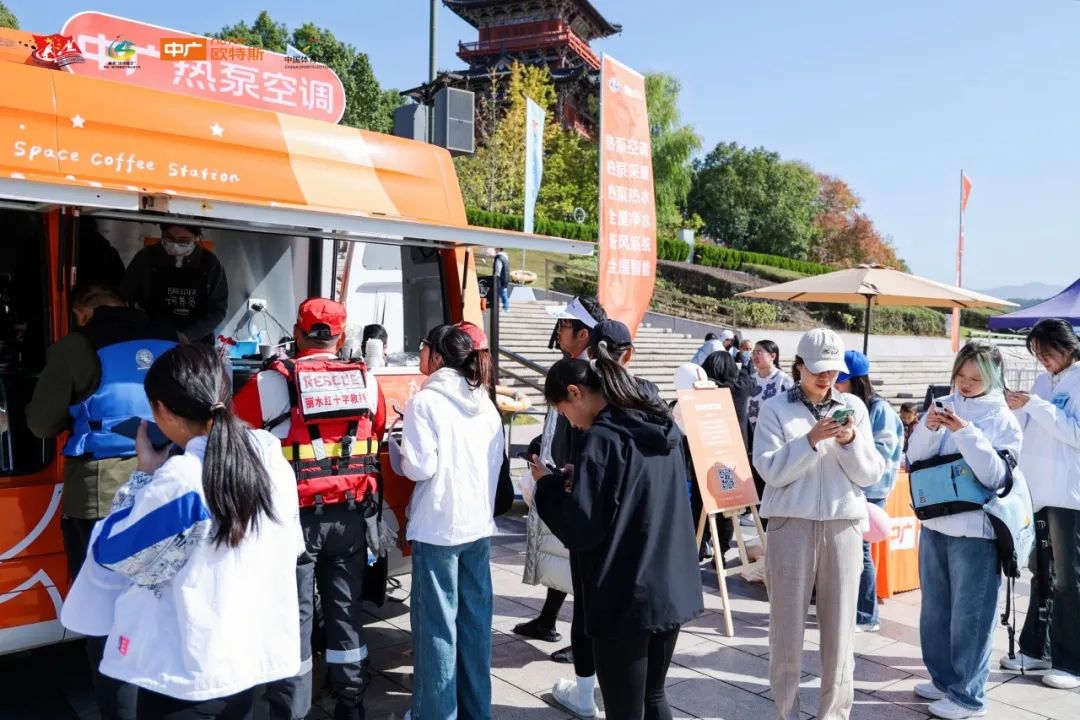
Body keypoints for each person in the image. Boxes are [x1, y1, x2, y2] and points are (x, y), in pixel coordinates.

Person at [60, 344, 303, 719]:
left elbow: (113, 557)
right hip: (248, 661)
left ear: (161, 410)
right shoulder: (269, 457)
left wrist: (144, 476)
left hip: (188, 673)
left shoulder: (181, 481)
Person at [524, 348, 704, 720]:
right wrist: (580, 479)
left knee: (624, 709)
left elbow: (582, 528)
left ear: (575, 393)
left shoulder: (604, 438)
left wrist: (546, 486)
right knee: (654, 696)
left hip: (625, 593)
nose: (570, 423)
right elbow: (636, 491)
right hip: (669, 583)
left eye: (564, 412)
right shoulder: (658, 422)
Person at [26, 283, 177, 720]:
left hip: (101, 494)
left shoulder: (75, 347)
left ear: (81, 312)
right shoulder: (171, 338)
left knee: (108, 618)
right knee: (163, 604)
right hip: (171, 486)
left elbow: (40, 423)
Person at [234, 297, 386, 720]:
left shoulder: (270, 382)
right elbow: (376, 430)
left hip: (292, 522)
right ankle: (351, 704)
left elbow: (232, 432)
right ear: (341, 336)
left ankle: (293, 710)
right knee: (346, 612)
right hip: (351, 516)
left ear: (298, 333)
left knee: (294, 619)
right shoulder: (366, 381)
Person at [753, 328, 886, 720]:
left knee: (841, 631)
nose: (827, 378)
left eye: (833, 371)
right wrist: (809, 440)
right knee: (785, 630)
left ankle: (834, 714)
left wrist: (849, 441)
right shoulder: (775, 408)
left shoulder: (854, 407)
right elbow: (769, 470)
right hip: (790, 525)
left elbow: (870, 474)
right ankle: (786, 713)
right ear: (799, 366)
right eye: (818, 370)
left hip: (843, 525)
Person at [392, 322, 503, 719]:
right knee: (474, 627)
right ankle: (476, 712)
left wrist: (398, 444)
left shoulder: (425, 402)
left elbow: (420, 467)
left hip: (438, 527)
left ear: (437, 356)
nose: (419, 353)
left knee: (436, 630)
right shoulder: (484, 402)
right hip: (478, 525)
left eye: (423, 346)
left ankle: (435, 713)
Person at [907, 341, 1022, 719]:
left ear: (994, 378)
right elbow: (914, 459)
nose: (966, 383)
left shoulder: (1003, 418)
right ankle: (943, 680)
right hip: (935, 521)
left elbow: (996, 477)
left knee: (970, 616)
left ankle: (969, 696)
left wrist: (965, 432)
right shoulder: (943, 403)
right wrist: (928, 426)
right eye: (960, 375)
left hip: (976, 529)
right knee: (935, 611)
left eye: (976, 377)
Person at [515, 296, 606, 650]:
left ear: (583, 334)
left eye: (564, 326)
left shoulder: (589, 374)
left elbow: (586, 431)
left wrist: (569, 471)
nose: (558, 332)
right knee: (562, 551)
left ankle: (583, 641)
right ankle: (548, 619)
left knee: (578, 557)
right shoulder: (572, 367)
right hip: (561, 469)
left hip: (574, 475)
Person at [1002, 319, 1080, 689]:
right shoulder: (1042, 381)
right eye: (1037, 353)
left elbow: (1075, 433)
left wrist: (1036, 405)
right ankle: (1036, 648)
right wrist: (1018, 408)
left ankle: (1072, 661)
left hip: (1069, 496)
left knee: (1069, 579)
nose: (1042, 359)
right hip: (1037, 493)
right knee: (1040, 572)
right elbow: (1028, 428)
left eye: (1047, 352)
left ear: (1068, 346)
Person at [835, 350, 903, 633]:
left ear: (857, 381)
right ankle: (852, 609)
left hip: (872, 488)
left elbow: (883, 453)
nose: (836, 385)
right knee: (852, 549)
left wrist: (853, 444)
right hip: (853, 485)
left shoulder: (879, 409)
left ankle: (866, 615)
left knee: (862, 549)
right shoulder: (847, 405)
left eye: (841, 380)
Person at [120, 223, 228, 344]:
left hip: (196, 343)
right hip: (152, 339)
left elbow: (218, 310)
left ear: (196, 237)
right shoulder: (146, 257)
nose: (175, 245)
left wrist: (189, 336)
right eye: (169, 238)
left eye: (184, 240)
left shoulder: (210, 263)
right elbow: (125, 298)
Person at [746, 340, 794, 533]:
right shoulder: (750, 380)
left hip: (776, 440)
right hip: (752, 438)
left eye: (760, 352)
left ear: (772, 356)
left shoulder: (784, 381)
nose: (755, 356)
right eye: (754, 352)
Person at [493, 247, 511, 312]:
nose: (494, 249)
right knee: (503, 292)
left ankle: (506, 307)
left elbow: (498, 269)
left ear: (498, 249)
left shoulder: (499, 258)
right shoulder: (505, 256)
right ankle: (505, 306)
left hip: (500, 278)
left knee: (502, 292)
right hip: (505, 277)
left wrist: (495, 278)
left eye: (495, 249)